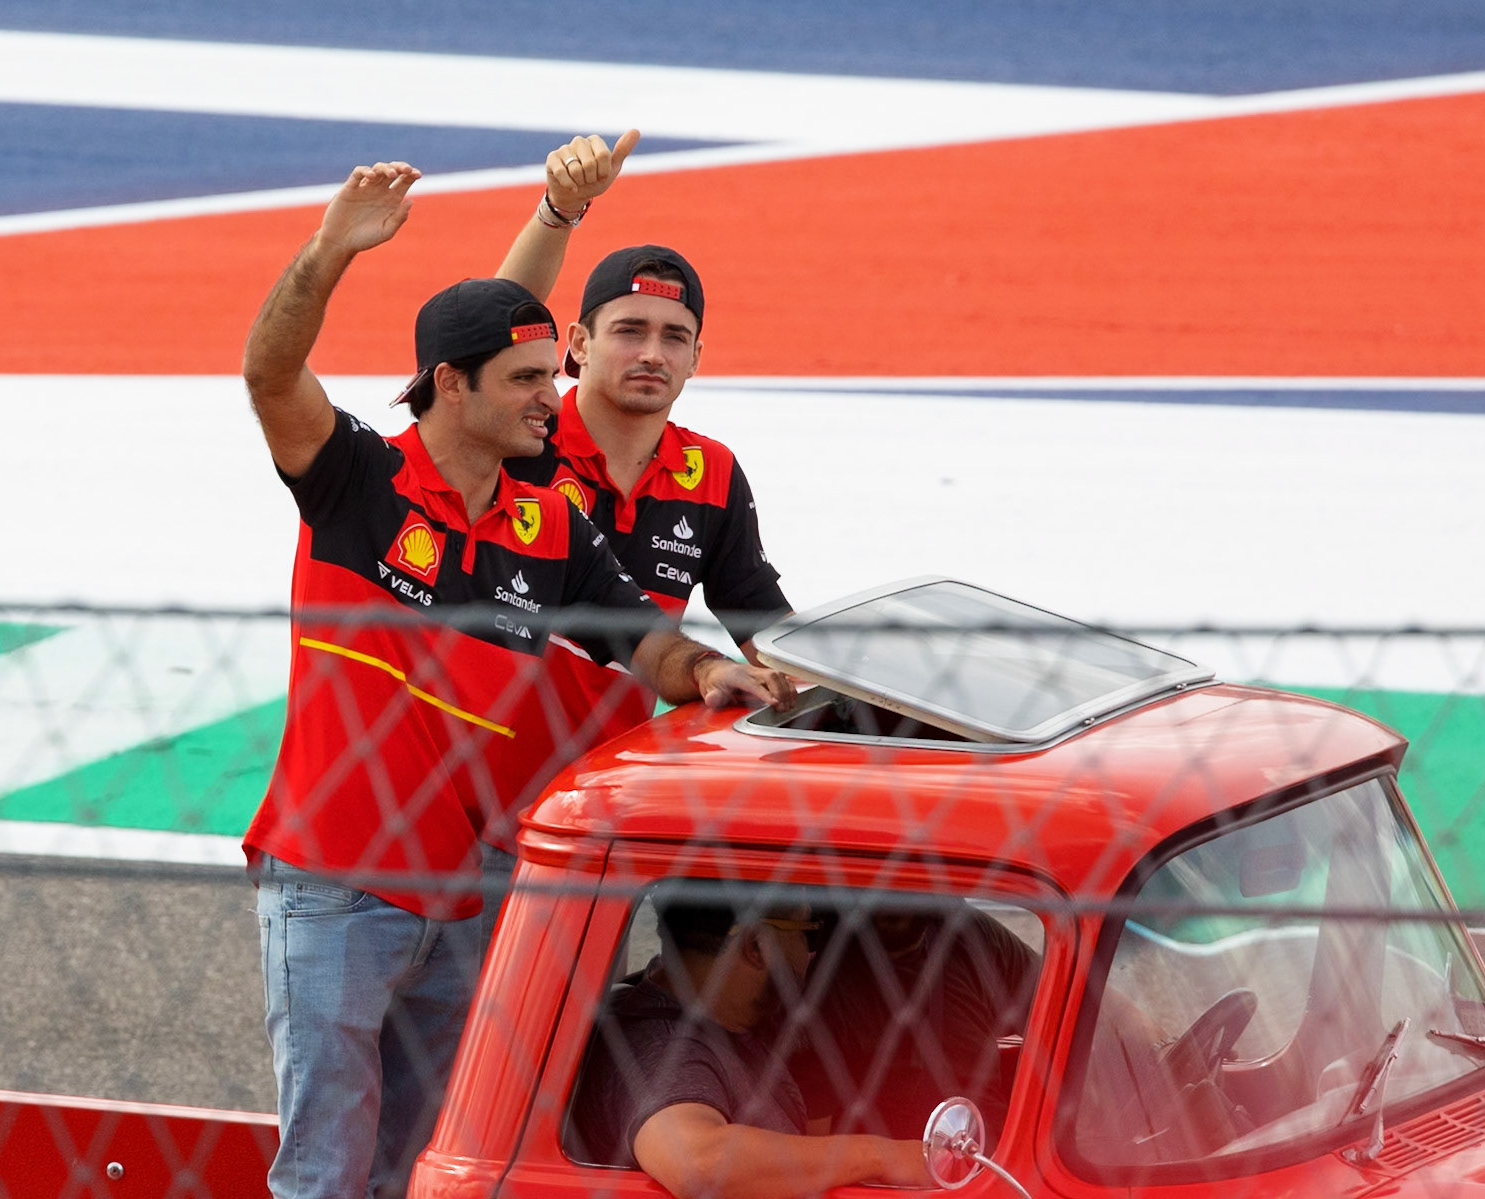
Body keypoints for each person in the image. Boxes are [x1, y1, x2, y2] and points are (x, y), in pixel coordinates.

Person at [240, 158, 797, 1199]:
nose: (554, 397)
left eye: (551, 374)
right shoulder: (357, 480)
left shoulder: (551, 526)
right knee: (324, 1169)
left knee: (427, 1156)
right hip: (336, 879)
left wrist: (711, 668)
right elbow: (271, 374)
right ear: (452, 383)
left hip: (477, 884)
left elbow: (646, 641)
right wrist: (328, 252)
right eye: (530, 379)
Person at [495, 131, 793, 747]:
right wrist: (559, 211)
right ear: (578, 344)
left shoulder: (711, 471)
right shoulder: (521, 438)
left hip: (601, 784)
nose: (653, 354)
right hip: (465, 776)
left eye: (674, 337)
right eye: (630, 331)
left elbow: (763, 624)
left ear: (696, 358)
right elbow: (493, 332)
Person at [568, 891, 929, 1199]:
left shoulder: (716, 1011)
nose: (811, 956)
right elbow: (697, 1164)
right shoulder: (661, 1048)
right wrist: (880, 1155)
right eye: (809, 935)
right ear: (756, 946)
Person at [794, 900, 1041, 1142]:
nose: (895, 894)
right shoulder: (820, 975)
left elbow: (1058, 1014)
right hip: (893, 1163)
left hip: (996, 1155)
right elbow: (818, 1144)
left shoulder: (969, 933)